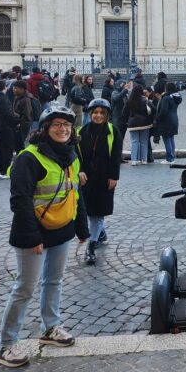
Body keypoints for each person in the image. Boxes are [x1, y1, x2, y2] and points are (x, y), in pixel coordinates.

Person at [0, 105, 89, 368]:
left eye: (67, 125)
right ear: (45, 129)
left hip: (62, 228)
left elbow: (75, 193)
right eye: (57, 124)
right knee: (25, 288)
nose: (63, 129)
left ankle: (51, 328)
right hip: (33, 232)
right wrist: (33, 236)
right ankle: (6, 346)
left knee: (54, 281)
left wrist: (81, 228)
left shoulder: (72, 155)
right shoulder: (28, 157)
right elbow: (20, 201)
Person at [78, 99, 123, 265]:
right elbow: (77, 156)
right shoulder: (82, 131)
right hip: (87, 177)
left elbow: (116, 156)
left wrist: (114, 176)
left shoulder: (113, 131)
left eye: (101, 113)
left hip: (105, 177)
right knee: (89, 210)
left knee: (98, 213)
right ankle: (100, 233)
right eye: (95, 113)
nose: (98, 116)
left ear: (106, 115)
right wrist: (79, 171)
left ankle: (91, 245)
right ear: (90, 114)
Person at [122, 84, 153, 166]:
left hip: (132, 124)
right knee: (144, 142)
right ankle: (144, 160)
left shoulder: (129, 100)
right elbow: (153, 109)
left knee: (134, 142)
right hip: (145, 123)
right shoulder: (145, 100)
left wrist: (127, 121)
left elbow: (124, 112)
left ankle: (134, 160)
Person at [154, 82, 182, 164]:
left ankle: (169, 158)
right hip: (174, 119)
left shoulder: (166, 98)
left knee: (166, 139)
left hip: (166, 121)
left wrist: (157, 118)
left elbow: (163, 111)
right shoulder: (176, 97)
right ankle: (172, 156)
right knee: (171, 139)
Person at [11, 80, 33, 152]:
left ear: (22, 89)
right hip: (18, 124)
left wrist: (20, 124)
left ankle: (22, 160)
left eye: (16, 88)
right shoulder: (18, 97)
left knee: (19, 145)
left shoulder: (25, 99)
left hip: (22, 125)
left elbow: (27, 114)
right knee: (17, 144)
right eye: (14, 88)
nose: (14, 90)